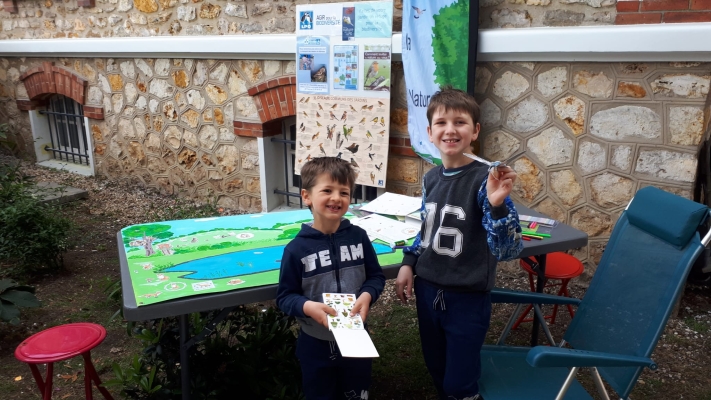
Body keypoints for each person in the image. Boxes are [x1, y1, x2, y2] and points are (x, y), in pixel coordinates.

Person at [395, 88, 523, 400]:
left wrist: (497, 206)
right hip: (428, 292)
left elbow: (508, 249)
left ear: (475, 131)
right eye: (441, 123)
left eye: (460, 122)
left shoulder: (486, 180)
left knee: (460, 382)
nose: (450, 129)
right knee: (436, 367)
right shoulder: (431, 178)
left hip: (467, 299)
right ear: (430, 132)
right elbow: (426, 227)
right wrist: (408, 263)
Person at [276, 157, 385, 400]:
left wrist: (367, 295)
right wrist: (308, 307)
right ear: (306, 196)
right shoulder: (296, 249)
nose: (336, 197)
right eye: (327, 190)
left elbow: (375, 277)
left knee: (357, 394)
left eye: (344, 192)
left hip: (357, 338)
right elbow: (285, 297)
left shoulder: (359, 237)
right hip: (315, 342)